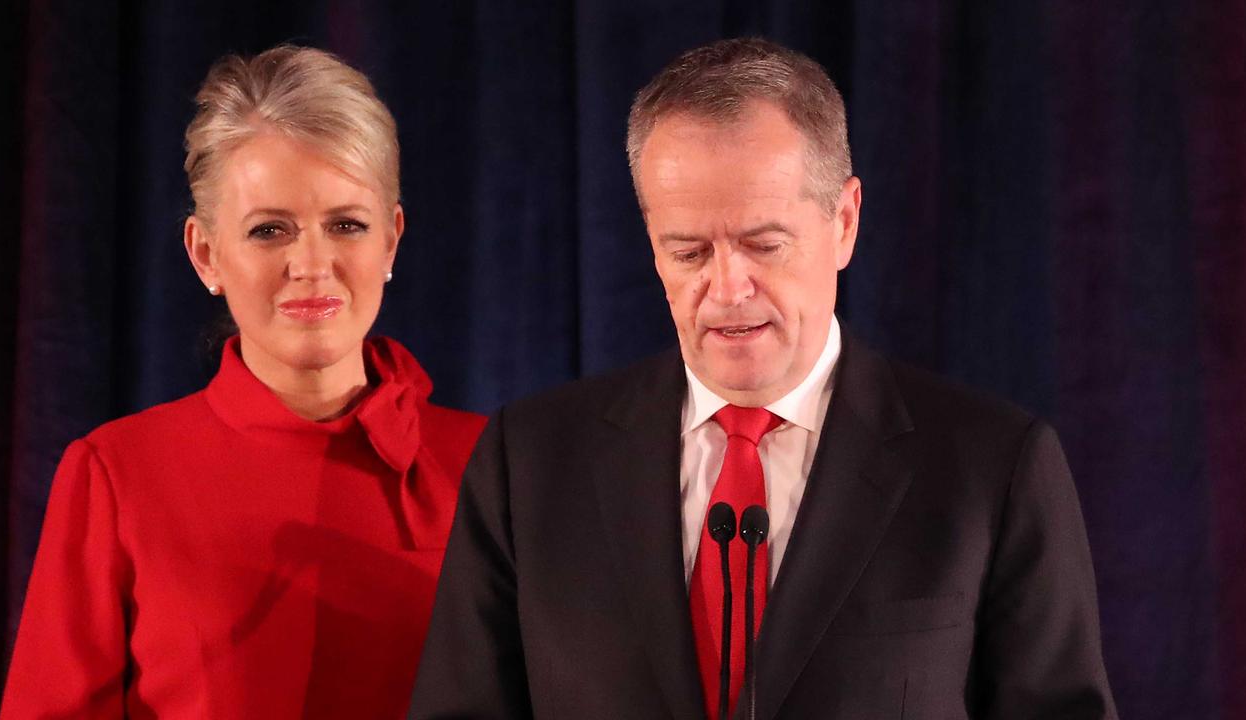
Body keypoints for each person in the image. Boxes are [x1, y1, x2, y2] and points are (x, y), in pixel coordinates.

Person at [409, 37, 1117, 719]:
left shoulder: (993, 467)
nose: (726, 287)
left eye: (763, 244)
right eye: (688, 252)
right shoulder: (529, 462)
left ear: (843, 222)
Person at [0, 45, 484, 718]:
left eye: (346, 225)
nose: (312, 264)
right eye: (269, 231)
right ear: (206, 254)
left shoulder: (494, 468)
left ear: (392, 242)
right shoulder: (116, 475)